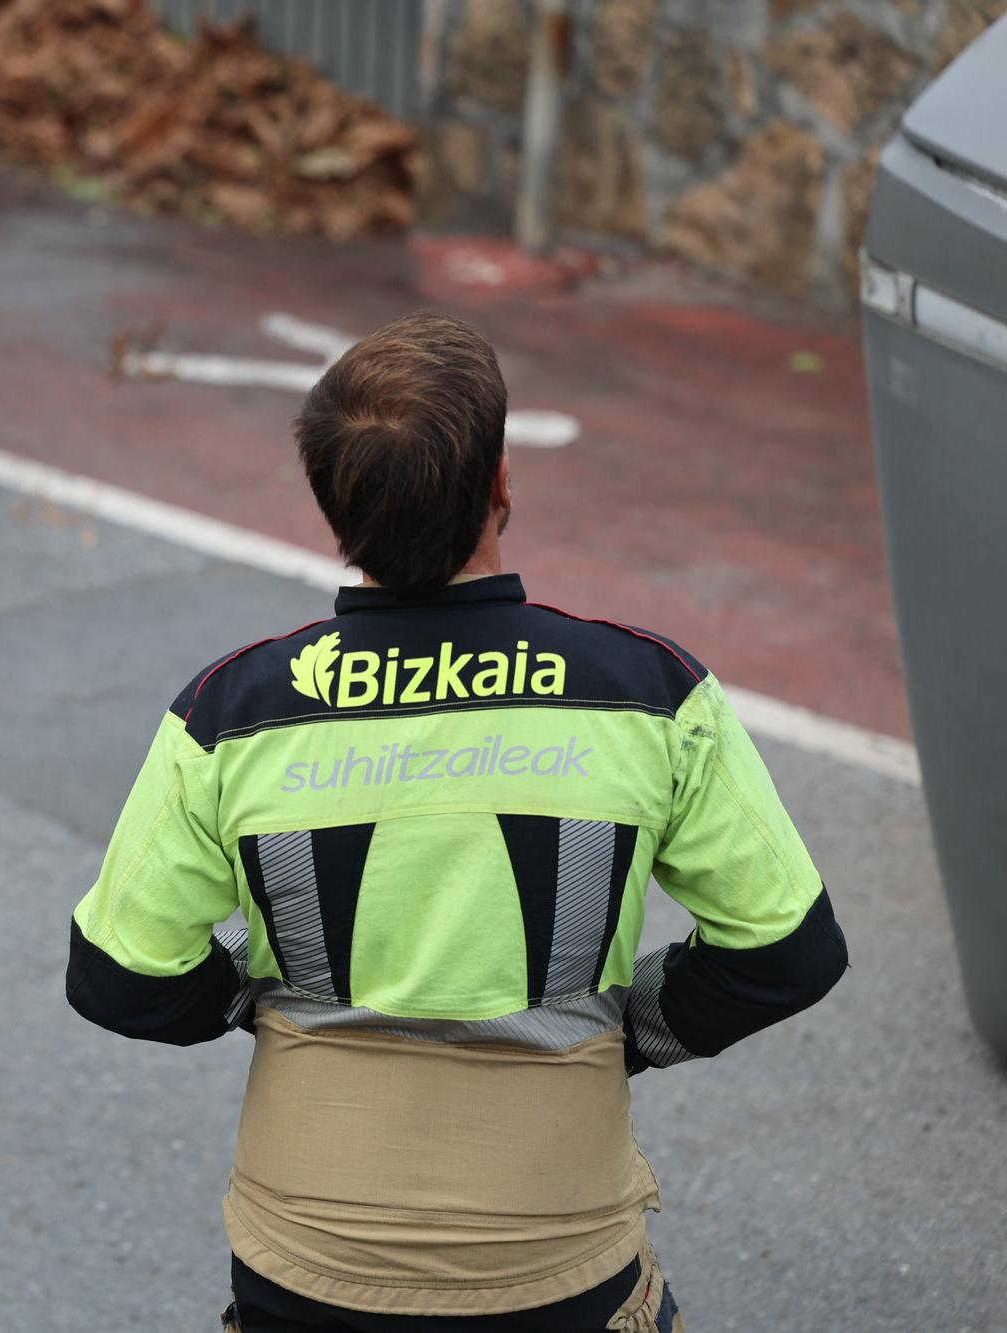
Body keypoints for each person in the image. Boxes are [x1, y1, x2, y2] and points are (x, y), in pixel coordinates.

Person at [66, 311, 847, 1332]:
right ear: (501, 488)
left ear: (331, 509)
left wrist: (258, 1000)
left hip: (304, 1261)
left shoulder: (232, 708)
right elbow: (785, 952)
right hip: (555, 1258)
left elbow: (118, 979)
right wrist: (624, 1032)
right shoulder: (647, 692)